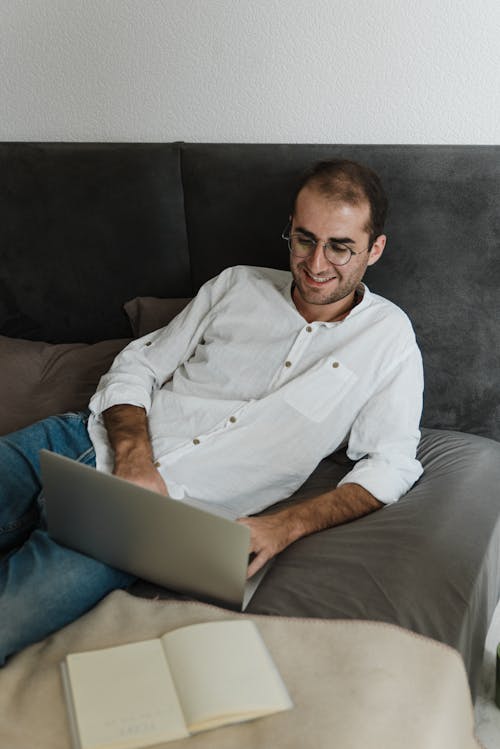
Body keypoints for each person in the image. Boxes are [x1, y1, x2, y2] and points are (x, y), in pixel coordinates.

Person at [0, 159, 423, 664]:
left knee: (11, 617)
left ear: (375, 249)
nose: (315, 263)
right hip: (74, 442)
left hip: (149, 521)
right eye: (304, 239)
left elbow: (391, 462)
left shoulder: (389, 339)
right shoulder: (235, 286)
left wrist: (285, 526)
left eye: (340, 247)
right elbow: (138, 364)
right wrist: (135, 455)